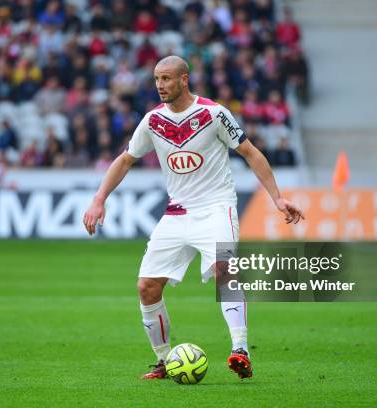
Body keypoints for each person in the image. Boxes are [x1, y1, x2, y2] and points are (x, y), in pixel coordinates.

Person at [83, 56, 305, 380]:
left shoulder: (213, 114)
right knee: (146, 287)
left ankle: (240, 350)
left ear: (184, 79)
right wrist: (99, 198)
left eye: (167, 78)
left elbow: (250, 153)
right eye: (157, 79)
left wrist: (277, 197)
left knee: (223, 269)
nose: (160, 85)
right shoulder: (152, 121)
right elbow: (125, 159)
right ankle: (162, 360)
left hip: (216, 207)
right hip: (177, 212)